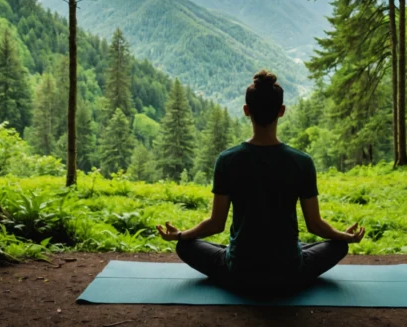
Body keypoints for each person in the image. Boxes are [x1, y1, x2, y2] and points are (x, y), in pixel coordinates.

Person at [156, 70, 366, 293]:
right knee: (338, 246)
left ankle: (237, 255)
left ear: (246, 111)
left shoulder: (227, 160)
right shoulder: (302, 162)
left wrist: (180, 235)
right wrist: (345, 237)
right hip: (289, 271)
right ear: (282, 111)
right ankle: (290, 255)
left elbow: (216, 224)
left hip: (239, 271)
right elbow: (315, 224)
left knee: (186, 246)